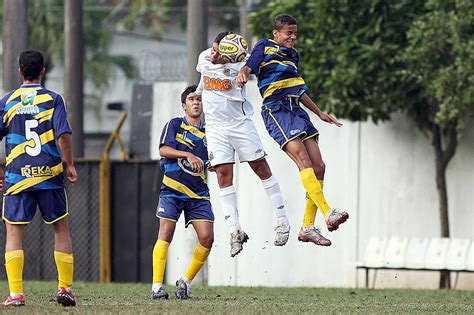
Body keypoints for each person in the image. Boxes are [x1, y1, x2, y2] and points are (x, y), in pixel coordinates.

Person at [237, 14, 349, 246]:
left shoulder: (293, 55)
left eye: (295, 33)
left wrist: (319, 113)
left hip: (296, 110)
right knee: (303, 160)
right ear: (276, 33)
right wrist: (243, 73)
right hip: (276, 110)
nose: (293, 37)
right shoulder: (264, 46)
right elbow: (250, 66)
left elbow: (298, 88)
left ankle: (307, 227)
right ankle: (328, 212)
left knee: (319, 166)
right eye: (289, 33)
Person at [196, 31, 290, 258]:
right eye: (215, 49)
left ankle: (282, 220)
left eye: (222, 52)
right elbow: (202, 79)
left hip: (240, 124)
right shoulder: (204, 57)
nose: (216, 55)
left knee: (261, 168)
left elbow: (250, 63)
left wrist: (238, 66)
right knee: (222, 175)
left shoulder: (243, 63)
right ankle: (235, 230)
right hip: (216, 128)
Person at [0, 50, 77, 307]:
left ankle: (16, 294)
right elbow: (63, 134)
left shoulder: (7, 101)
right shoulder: (53, 99)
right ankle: (65, 289)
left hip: (17, 176)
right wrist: (70, 165)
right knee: (60, 228)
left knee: (14, 232)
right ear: (43, 71)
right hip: (49, 174)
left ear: (20, 71)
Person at [151, 85, 214, 300]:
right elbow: (163, 150)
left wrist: (213, 164)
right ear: (183, 105)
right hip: (172, 189)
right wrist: (187, 154)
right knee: (166, 234)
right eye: (191, 99)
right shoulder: (175, 125)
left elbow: (213, 159)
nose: (196, 102)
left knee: (207, 238)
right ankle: (157, 286)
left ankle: (185, 282)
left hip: (198, 193)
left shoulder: (211, 131)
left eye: (198, 99)